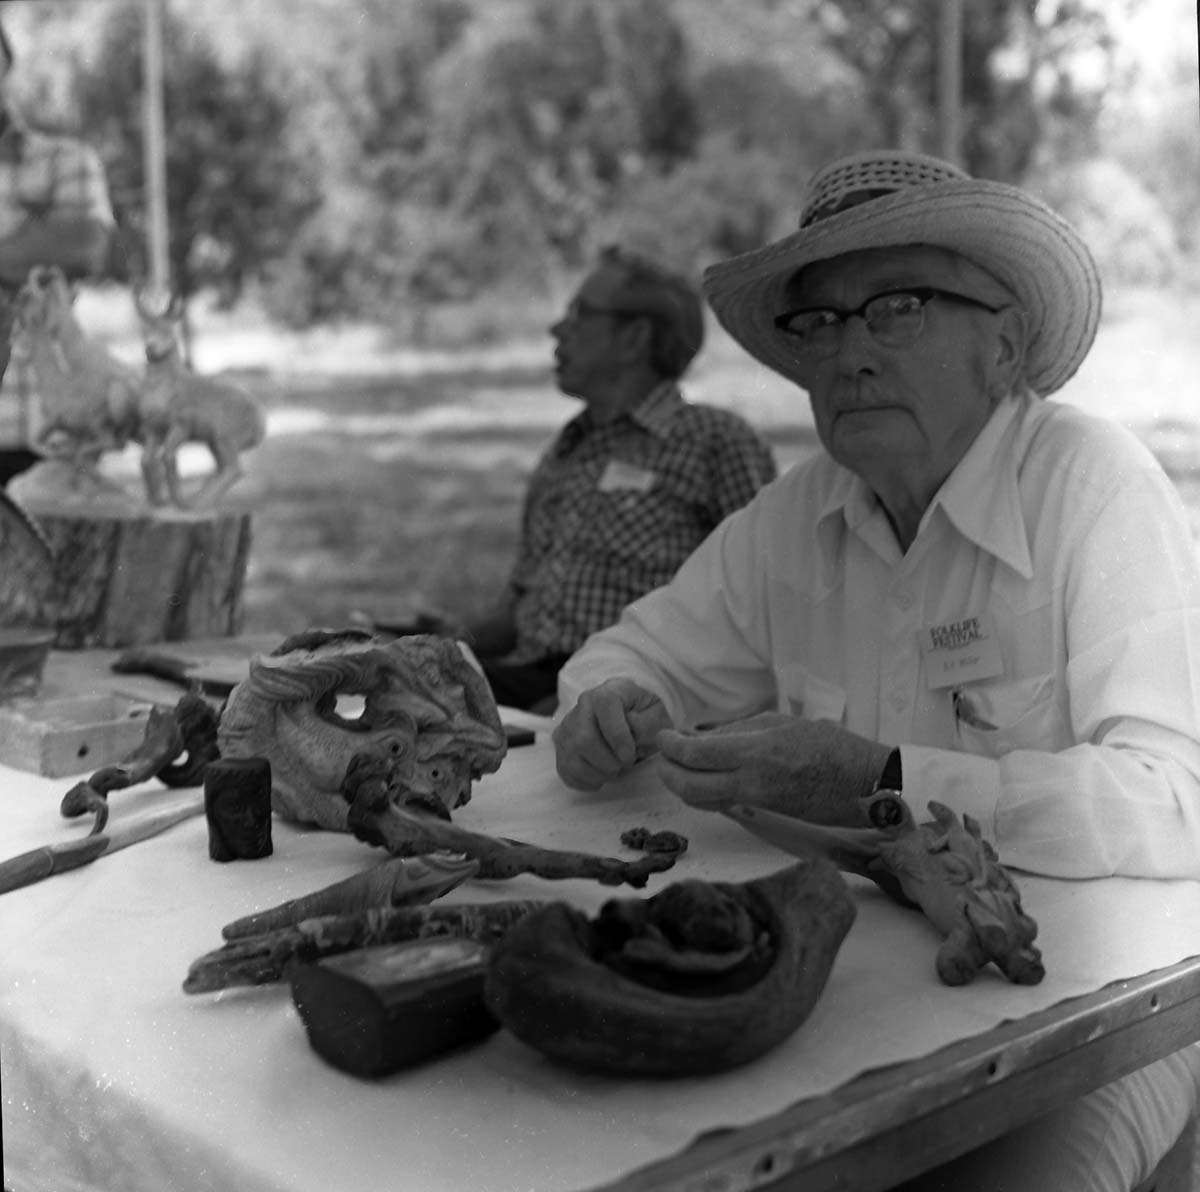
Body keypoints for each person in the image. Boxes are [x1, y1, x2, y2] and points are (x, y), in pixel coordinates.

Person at [552, 150, 1200, 1191]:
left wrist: (883, 779)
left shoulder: (1095, 489)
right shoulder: (796, 518)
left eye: (895, 306)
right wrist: (610, 710)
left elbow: (1179, 802)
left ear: (1005, 345)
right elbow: (620, 659)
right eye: (820, 322)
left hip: (1101, 1018)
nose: (848, 353)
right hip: (852, 1005)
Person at [437, 244, 776, 713]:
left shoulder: (715, 441)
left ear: (634, 337)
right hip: (528, 681)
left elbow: (765, 606)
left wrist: (580, 701)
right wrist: (440, 644)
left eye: (580, 312)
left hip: (631, 695)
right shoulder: (568, 446)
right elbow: (518, 607)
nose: (557, 328)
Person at [0, 17, 116, 485]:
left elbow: (85, 246)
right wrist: (24, 244)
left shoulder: (66, 161)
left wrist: (50, 243)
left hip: (42, 431)